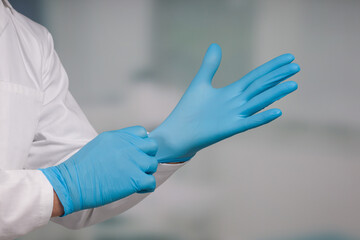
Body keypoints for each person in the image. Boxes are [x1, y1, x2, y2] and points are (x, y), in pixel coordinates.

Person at [0, 0, 300, 239]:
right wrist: (56, 188)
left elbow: (79, 197)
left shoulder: (31, 41)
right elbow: (62, 185)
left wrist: (162, 147)